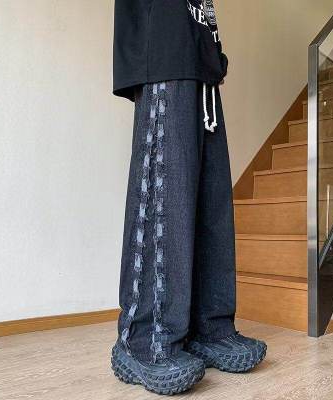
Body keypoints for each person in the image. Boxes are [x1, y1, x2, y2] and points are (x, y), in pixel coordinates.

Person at [111, 0, 267, 395]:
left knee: (211, 205)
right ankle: (144, 339)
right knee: (167, 197)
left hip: (202, 61)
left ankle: (208, 327)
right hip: (165, 50)